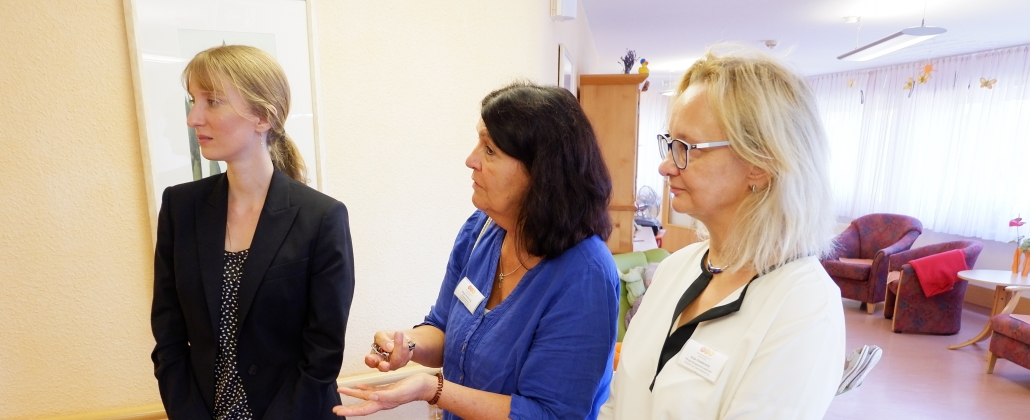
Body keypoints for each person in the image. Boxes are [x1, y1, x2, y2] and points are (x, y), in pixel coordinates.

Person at [333, 82, 620, 419]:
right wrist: (406, 344)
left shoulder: (586, 275)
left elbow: (550, 414)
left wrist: (432, 389)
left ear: (542, 171)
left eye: (490, 150)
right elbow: (442, 326)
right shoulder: (481, 228)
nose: (471, 160)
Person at [599, 44, 846, 419]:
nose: (666, 166)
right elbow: (618, 402)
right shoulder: (675, 268)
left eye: (687, 147)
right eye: (670, 143)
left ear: (760, 163)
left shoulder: (805, 307)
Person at [150, 45, 355, 420]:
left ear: (263, 116)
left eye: (212, 101)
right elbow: (168, 335)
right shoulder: (181, 207)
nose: (194, 118)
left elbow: (322, 352)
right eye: (194, 101)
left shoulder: (321, 217)